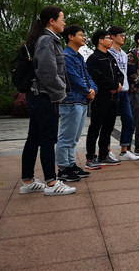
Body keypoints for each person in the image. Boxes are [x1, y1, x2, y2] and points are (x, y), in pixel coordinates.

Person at [19, 6, 76, 196]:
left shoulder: (46, 39)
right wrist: (59, 94)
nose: (64, 22)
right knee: (47, 139)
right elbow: (47, 72)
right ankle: (51, 183)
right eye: (62, 18)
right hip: (44, 96)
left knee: (34, 138)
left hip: (40, 95)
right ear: (52, 21)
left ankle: (28, 181)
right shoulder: (46, 40)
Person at [56, 25, 98, 181]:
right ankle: (63, 169)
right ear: (71, 37)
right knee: (66, 137)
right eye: (81, 35)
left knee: (73, 139)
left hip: (81, 101)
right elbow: (73, 78)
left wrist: (93, 89)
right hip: (71, 101)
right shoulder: (65, 56)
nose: (84, 37)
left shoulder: (79, 57)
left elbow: (88, 77)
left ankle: (71, 165)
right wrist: (88, 91)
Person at [85, 30, 123, 168]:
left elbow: (119, 74)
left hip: (113, 97)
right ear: (100, 40)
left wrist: (118, 85)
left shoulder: (111, 57)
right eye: (108, 38)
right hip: (100, 98)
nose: (111, 40)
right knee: (95, 127)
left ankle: (103, 155)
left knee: (108, 127)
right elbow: (97, 77)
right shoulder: (93, 59)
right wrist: (113, 86)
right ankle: (90, 157)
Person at [108, 26, 139, 161]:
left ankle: (124, 150)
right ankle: (107, 150)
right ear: (113, 37)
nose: (124, 37)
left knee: (129, 120)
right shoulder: (107, 53)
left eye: (124, 35)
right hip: (112, 92)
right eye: (121, 35)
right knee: (108, 122)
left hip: (124, 92)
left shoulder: (124, 54)